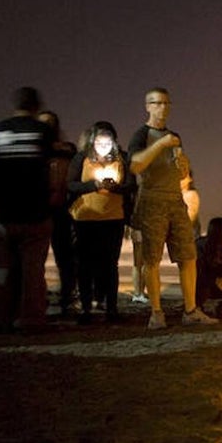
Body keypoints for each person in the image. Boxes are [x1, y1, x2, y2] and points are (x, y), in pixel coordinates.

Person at [127, 87, 203, 328]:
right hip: (152, 199)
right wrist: (161, 145)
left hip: (175, 198)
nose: (162, 108)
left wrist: (184, 166)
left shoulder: (174, 136)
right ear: (147, 106)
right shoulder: (141, 135)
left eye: (166, 103)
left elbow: (181, 169)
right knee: (152, 258)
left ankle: (191, 310)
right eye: (157, 103)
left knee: (188, 255)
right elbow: (135, 166)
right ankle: (156, 313)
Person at [0, 86, 54, 331]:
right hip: (36, 212)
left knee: (2, 269)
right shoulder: (43, 131)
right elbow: (51, 167)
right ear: (37, 106)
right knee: (33, 270)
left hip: (3, 213)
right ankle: (32, 319)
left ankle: (3, 319)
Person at [66, 121, 133, 324]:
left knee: (110, 265)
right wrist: (93, 185)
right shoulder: (81, 158)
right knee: (85, 266)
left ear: (114, 141)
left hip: (113, 219)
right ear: (92, 141)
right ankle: (86, 310)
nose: (103, 145)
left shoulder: (123, 158)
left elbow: (132, 185)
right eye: (99, 141)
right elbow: (70, 185)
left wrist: (115, 187)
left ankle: (111, 310)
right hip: (85, 219)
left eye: (108, 140)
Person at [37, 110, 78, 317]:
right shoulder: (34, 150)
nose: (48, 127)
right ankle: (37, 299)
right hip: (38, 210)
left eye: (51, 123)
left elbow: (76, 177)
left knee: (65, 258)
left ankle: (67, 298)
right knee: (36, 258)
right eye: (44, 123)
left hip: (62, 210)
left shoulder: (68, 150)